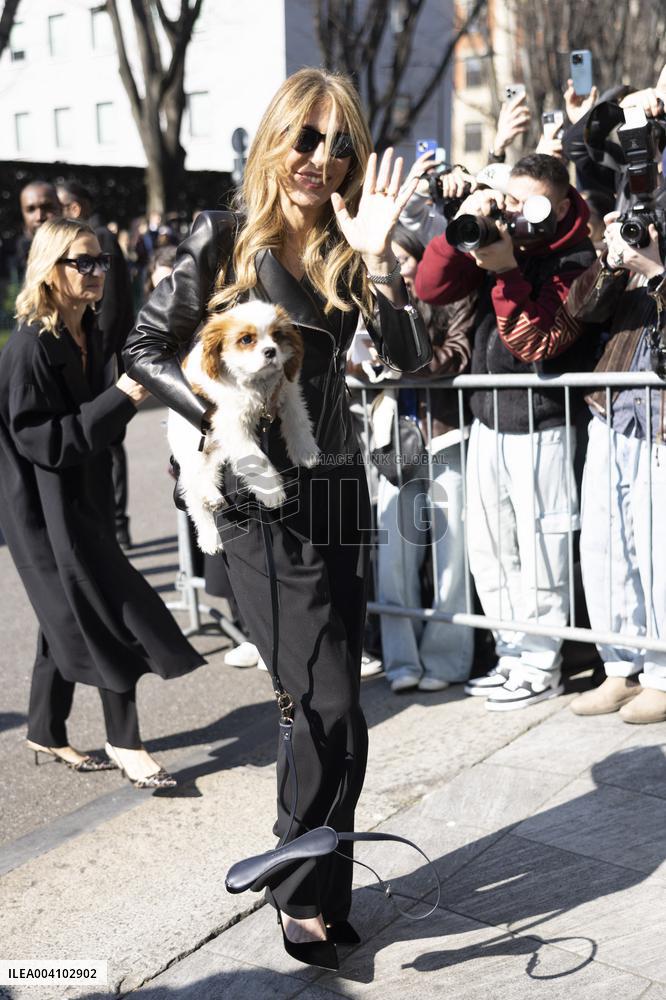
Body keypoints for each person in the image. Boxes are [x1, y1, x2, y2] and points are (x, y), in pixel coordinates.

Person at [124, 67, 429, 968]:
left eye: (340, 145)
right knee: (321, 694)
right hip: (255, 499)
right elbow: (144, 345)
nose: (320, 160)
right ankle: (296, 884)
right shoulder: (220, 238)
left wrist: (380, 263)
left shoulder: (348, 246)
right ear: (274, 139)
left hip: (337, 489)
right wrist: (215, 413)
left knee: (340, 707)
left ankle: (310, 888)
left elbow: (412, 360)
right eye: (306, 138)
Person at [0, 218, 205, 787]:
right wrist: (120, 396)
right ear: (49, 269)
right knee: (106, 614)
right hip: (42, 513)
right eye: (82, 262)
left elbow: (96, 431)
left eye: (101, 262)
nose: (96, 273)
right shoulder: (29, 347)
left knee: (63, 615)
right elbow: (43, 442)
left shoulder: (85, 333)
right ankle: (126, 743)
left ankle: (44, 728)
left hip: (81, 500)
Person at [416, 153, 597, 710]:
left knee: (543, 546)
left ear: (560, 203)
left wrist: (504, 270)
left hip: (544, 420)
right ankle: (510, 653)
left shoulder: (577, 256)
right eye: (508, 199)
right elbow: (429, 287)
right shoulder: (502, 238)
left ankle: (542, 664)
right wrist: (465, 223)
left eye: (527, 203)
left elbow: (534, 341)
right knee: (490, 548)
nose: (515, 214)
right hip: (490, 416)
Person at [565, 214, 666, 723]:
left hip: (660, 423)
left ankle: (663, 674)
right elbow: (579, 309)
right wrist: (611, 261)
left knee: (657, 550)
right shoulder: (630, 263)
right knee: (604, 547)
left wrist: (659, 269)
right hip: (612, 410)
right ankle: (619, 667)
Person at [372, 223, 475, 693]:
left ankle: (447, 659)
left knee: (451, 558)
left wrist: (410, 359)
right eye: (386, 263)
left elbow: (458, 352)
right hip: (392, 440)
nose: (395, 270)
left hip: (444, 436)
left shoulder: (450, 291)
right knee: (393, 559)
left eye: (402, 260)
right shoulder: (371, 298)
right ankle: (401, 661)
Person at [57, 179, 136, 548]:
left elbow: (114, 305)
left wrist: (100, 355)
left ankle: (117, 522)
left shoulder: (99, 237)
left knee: (109, 440)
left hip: (105, 357)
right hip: (90, 353)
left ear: (74, 209)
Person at [16, 181, 61, 283]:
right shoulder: (12, 257)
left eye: (47, 207)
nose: (39, 216)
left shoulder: (80, 249)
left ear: (61, 208)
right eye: (31, 209)